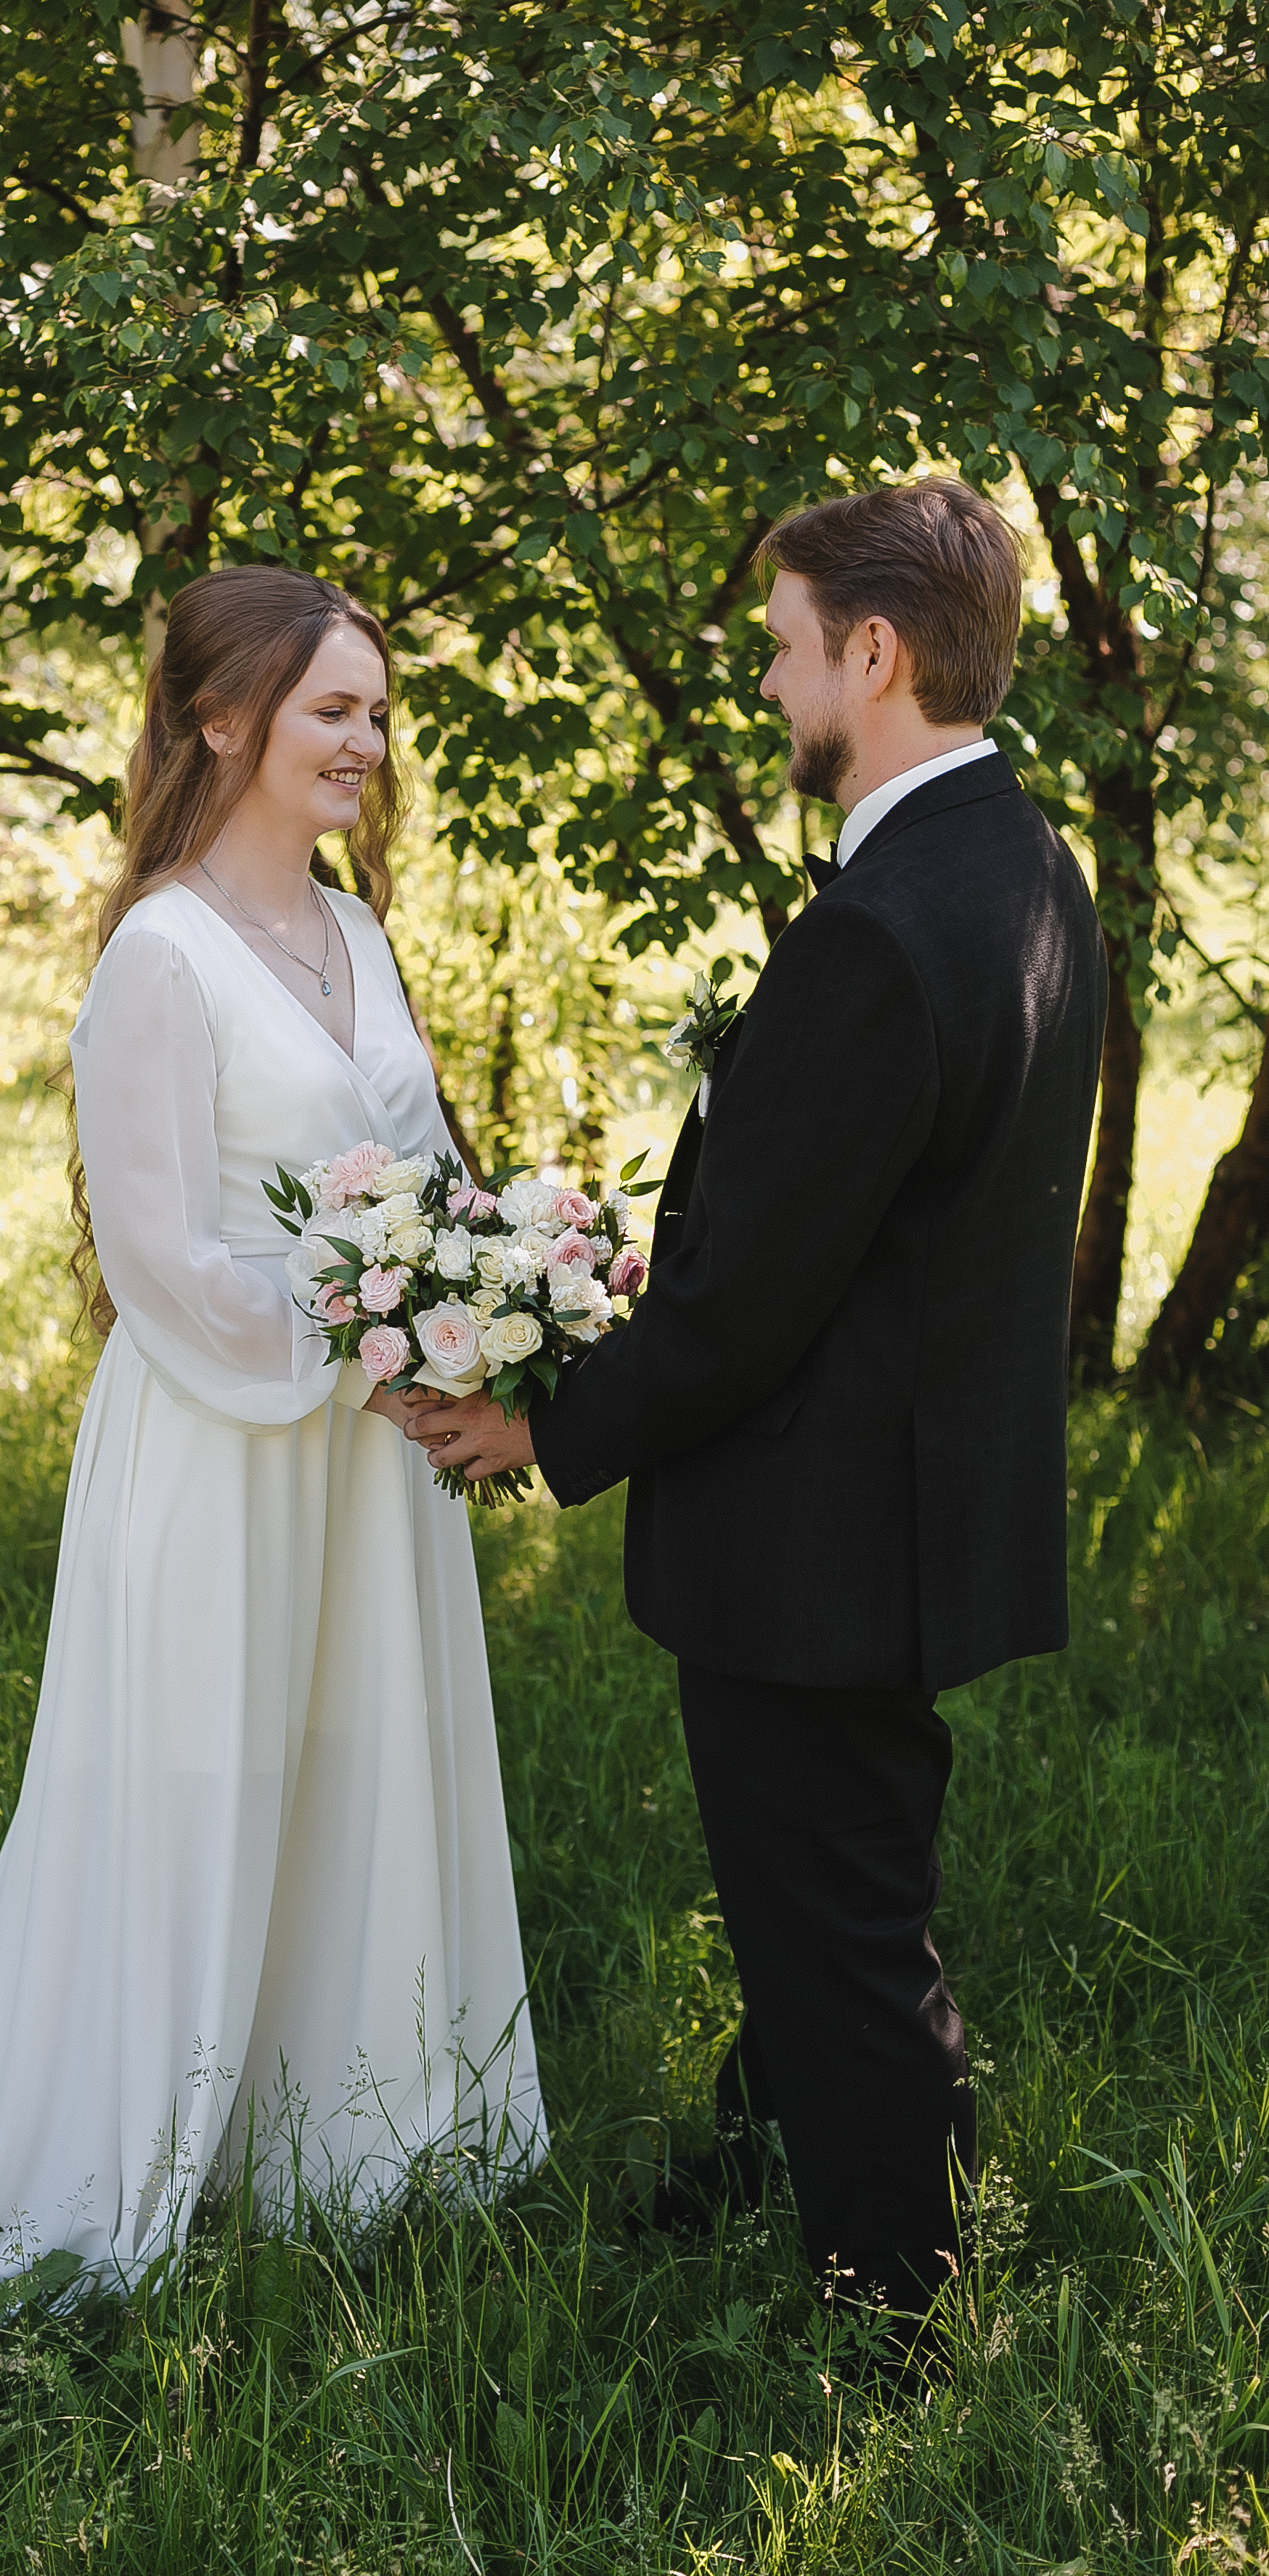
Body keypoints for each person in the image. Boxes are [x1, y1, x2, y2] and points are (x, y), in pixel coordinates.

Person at [408, 479, 1107, 2339]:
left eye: (788, 649)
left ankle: (903, 2307)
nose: (775, 686)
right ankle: (745, 2159)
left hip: (817, 1525)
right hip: (914, 1501)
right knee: (835, 1870)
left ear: (873, 652)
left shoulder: (884, 925)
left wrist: (548, 1432)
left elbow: (752, 1301)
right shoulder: (1027, 867)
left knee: (839, 1910)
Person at [0, 567, 544, 2312]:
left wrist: (492, 1295)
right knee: (195, 1787)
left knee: (363, 1773)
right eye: (330, 710)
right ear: (224, 721)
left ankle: (350, 2153)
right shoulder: (160, 951)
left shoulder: (357, 936)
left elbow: (430, 1178)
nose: (365, 740)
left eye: (374, 709)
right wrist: (355, 1346)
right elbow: (158, 1257)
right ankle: (108, 2162)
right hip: (223, 1436)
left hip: (366, 1465)